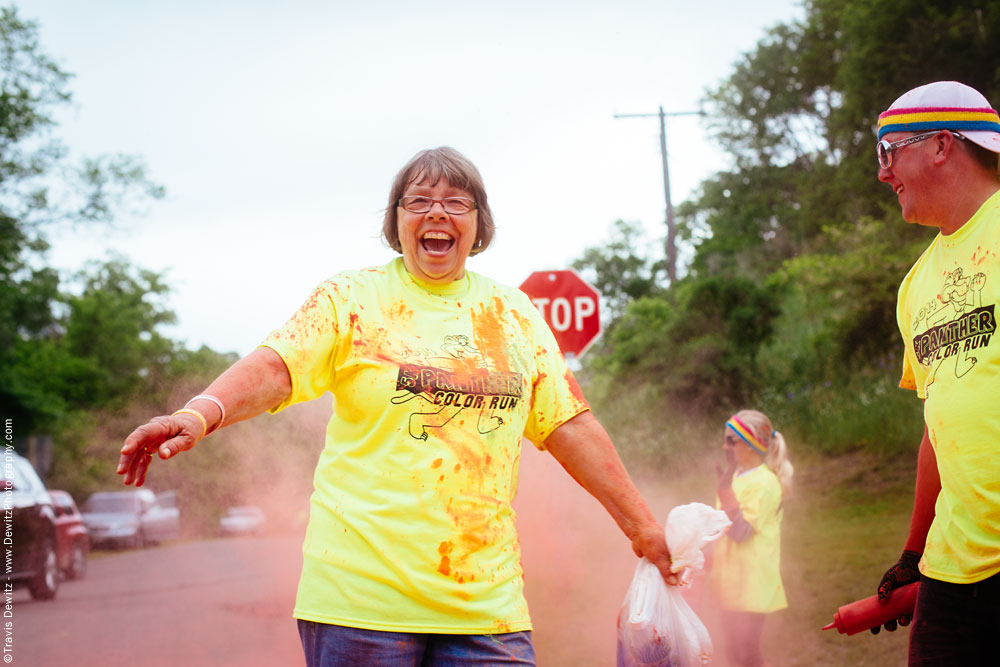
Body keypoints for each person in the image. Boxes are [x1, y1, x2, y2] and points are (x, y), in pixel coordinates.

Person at [117, 146, 677, 666]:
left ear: (478, 224)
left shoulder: (516, 315)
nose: (438, 213)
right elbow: (275, 367)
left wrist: (641, 525)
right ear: (396, 221)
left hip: (486, 608)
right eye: (420, 201)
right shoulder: (350, 299)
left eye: (456, 202)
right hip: (358, 607)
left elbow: (569, 424)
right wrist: (198, 414)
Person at [871, 80, 1000, 665]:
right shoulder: (914, 286)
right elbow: (937, 430)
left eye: (888, 151)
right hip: (951, 574)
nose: (882, 173)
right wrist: (912, 554)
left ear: (943, 144)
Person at [705, 409, 792, 667]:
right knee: (732, 653)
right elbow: (724, 529)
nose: (725, 446)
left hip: (752, 585)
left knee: (746, 654)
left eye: (732, 440)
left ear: (753, 443)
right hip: (729, 583)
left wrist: (724, 491)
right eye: (724, 439)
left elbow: (741, 532)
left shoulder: (765, 483)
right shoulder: (733, 478)